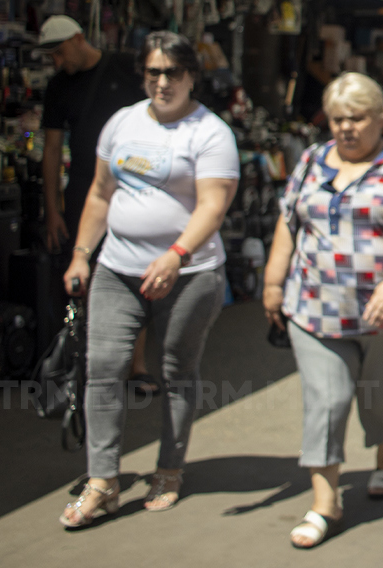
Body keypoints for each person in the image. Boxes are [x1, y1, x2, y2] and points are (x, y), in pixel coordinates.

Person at [59, 31, 239, 527]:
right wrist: (81, 255)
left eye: (172, 73)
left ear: (191, 77)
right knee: (105, 368)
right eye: (153, 73)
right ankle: (102, 481)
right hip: (117, 268)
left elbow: (213, 205)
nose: (162, 83)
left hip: (190, 275)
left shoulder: (211, 133)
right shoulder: (122, 122)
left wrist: (176, 255)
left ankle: (170, 467)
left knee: (176, 371)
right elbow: (99, 194)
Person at [263, 72, 383, 549]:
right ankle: (325, 503)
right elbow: (289, 221)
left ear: (381, 119)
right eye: (338, 118)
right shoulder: (310, 160)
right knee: (326, 399)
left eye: (358, 118)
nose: (347, 127)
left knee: (381, 395)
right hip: (314, 309)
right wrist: (272, 281)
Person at [39, 15, 160, 396]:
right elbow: (52, 149)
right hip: (84, 191)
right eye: (51, 57)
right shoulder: (59, 87)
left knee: (137, 272)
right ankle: (99, 363)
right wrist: (53, 209)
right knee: (89, 272)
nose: (58, 62)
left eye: (60, 52)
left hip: (134, 185)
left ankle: (136, 366)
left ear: (78, 39)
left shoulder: (124, 66)